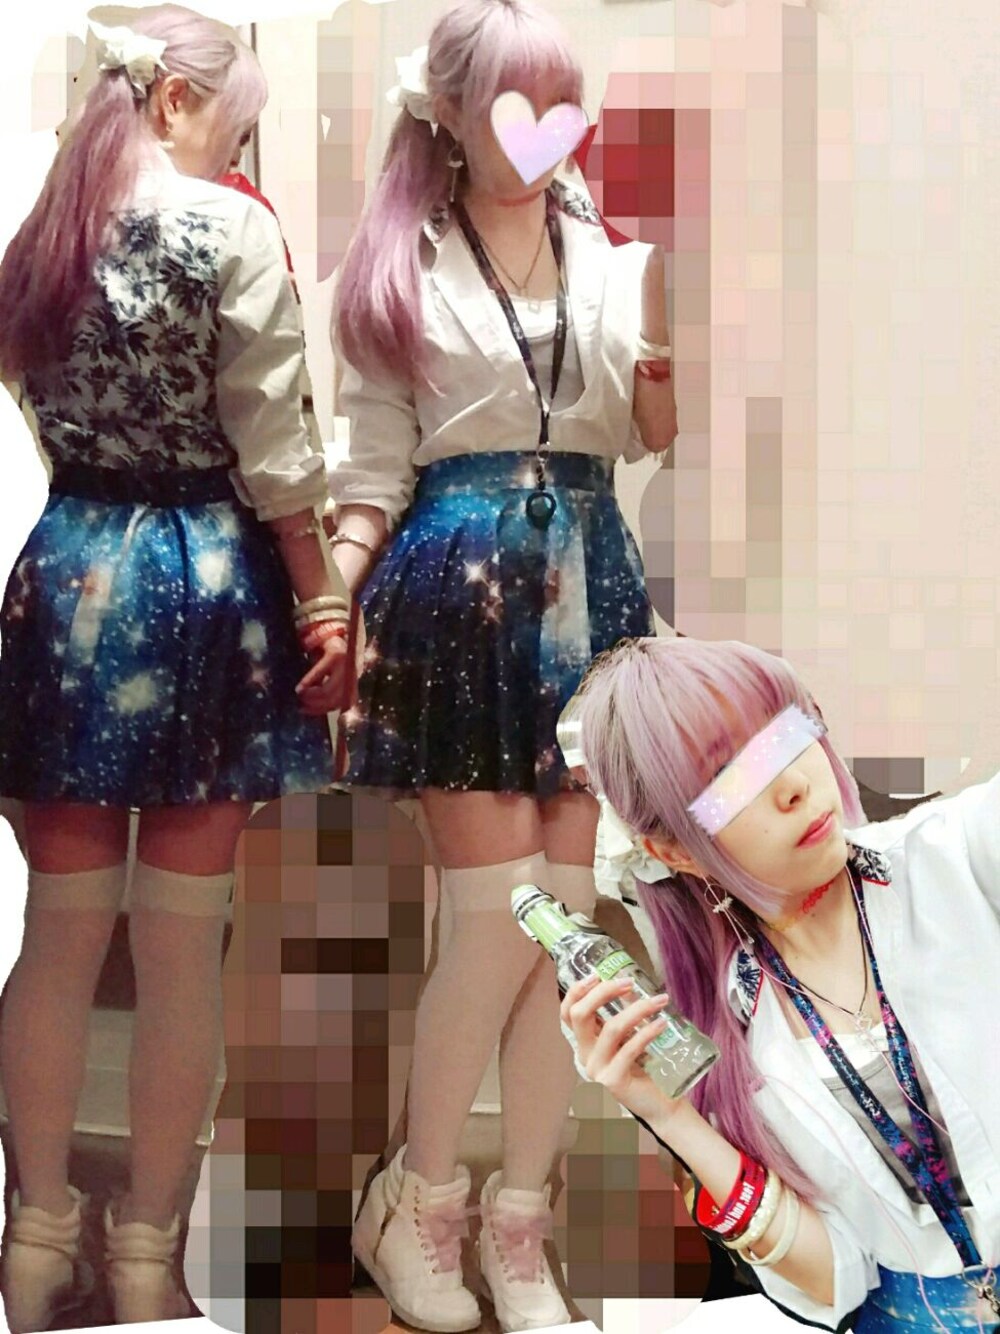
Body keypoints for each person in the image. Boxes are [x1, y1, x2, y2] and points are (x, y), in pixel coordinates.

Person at [0, 7, 353, 1329]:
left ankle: (33, 1229)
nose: (235, 149)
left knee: (57, 934)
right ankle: (149, 1245)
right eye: (234, 125)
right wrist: (325, 597)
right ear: (175, 103)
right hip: (207, 585)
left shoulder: (42, 234)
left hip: (71, 574)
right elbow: (277, 446)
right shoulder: (230, 231)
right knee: (183, 947)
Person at [327, 0, 678, 1329]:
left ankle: (519, 1221)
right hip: (455, 592)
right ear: (452, 114)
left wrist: (663, 346)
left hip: (589, 575)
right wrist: (329, 602)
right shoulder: (399, 261)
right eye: (514, 103)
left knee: (566, 921)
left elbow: (647, 431)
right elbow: (369, 466)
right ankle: (416, 1198)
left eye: (560, 101)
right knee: (499, 915)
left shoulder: (613, 257)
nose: (544, 132)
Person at [560, 635, 999, 1333]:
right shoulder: (732, 1036)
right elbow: (838, 1276)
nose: (792, 782)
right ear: (672, 851)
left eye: (786, 733)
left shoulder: (961, 854)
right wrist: (668, 1117)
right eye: (727, 779)